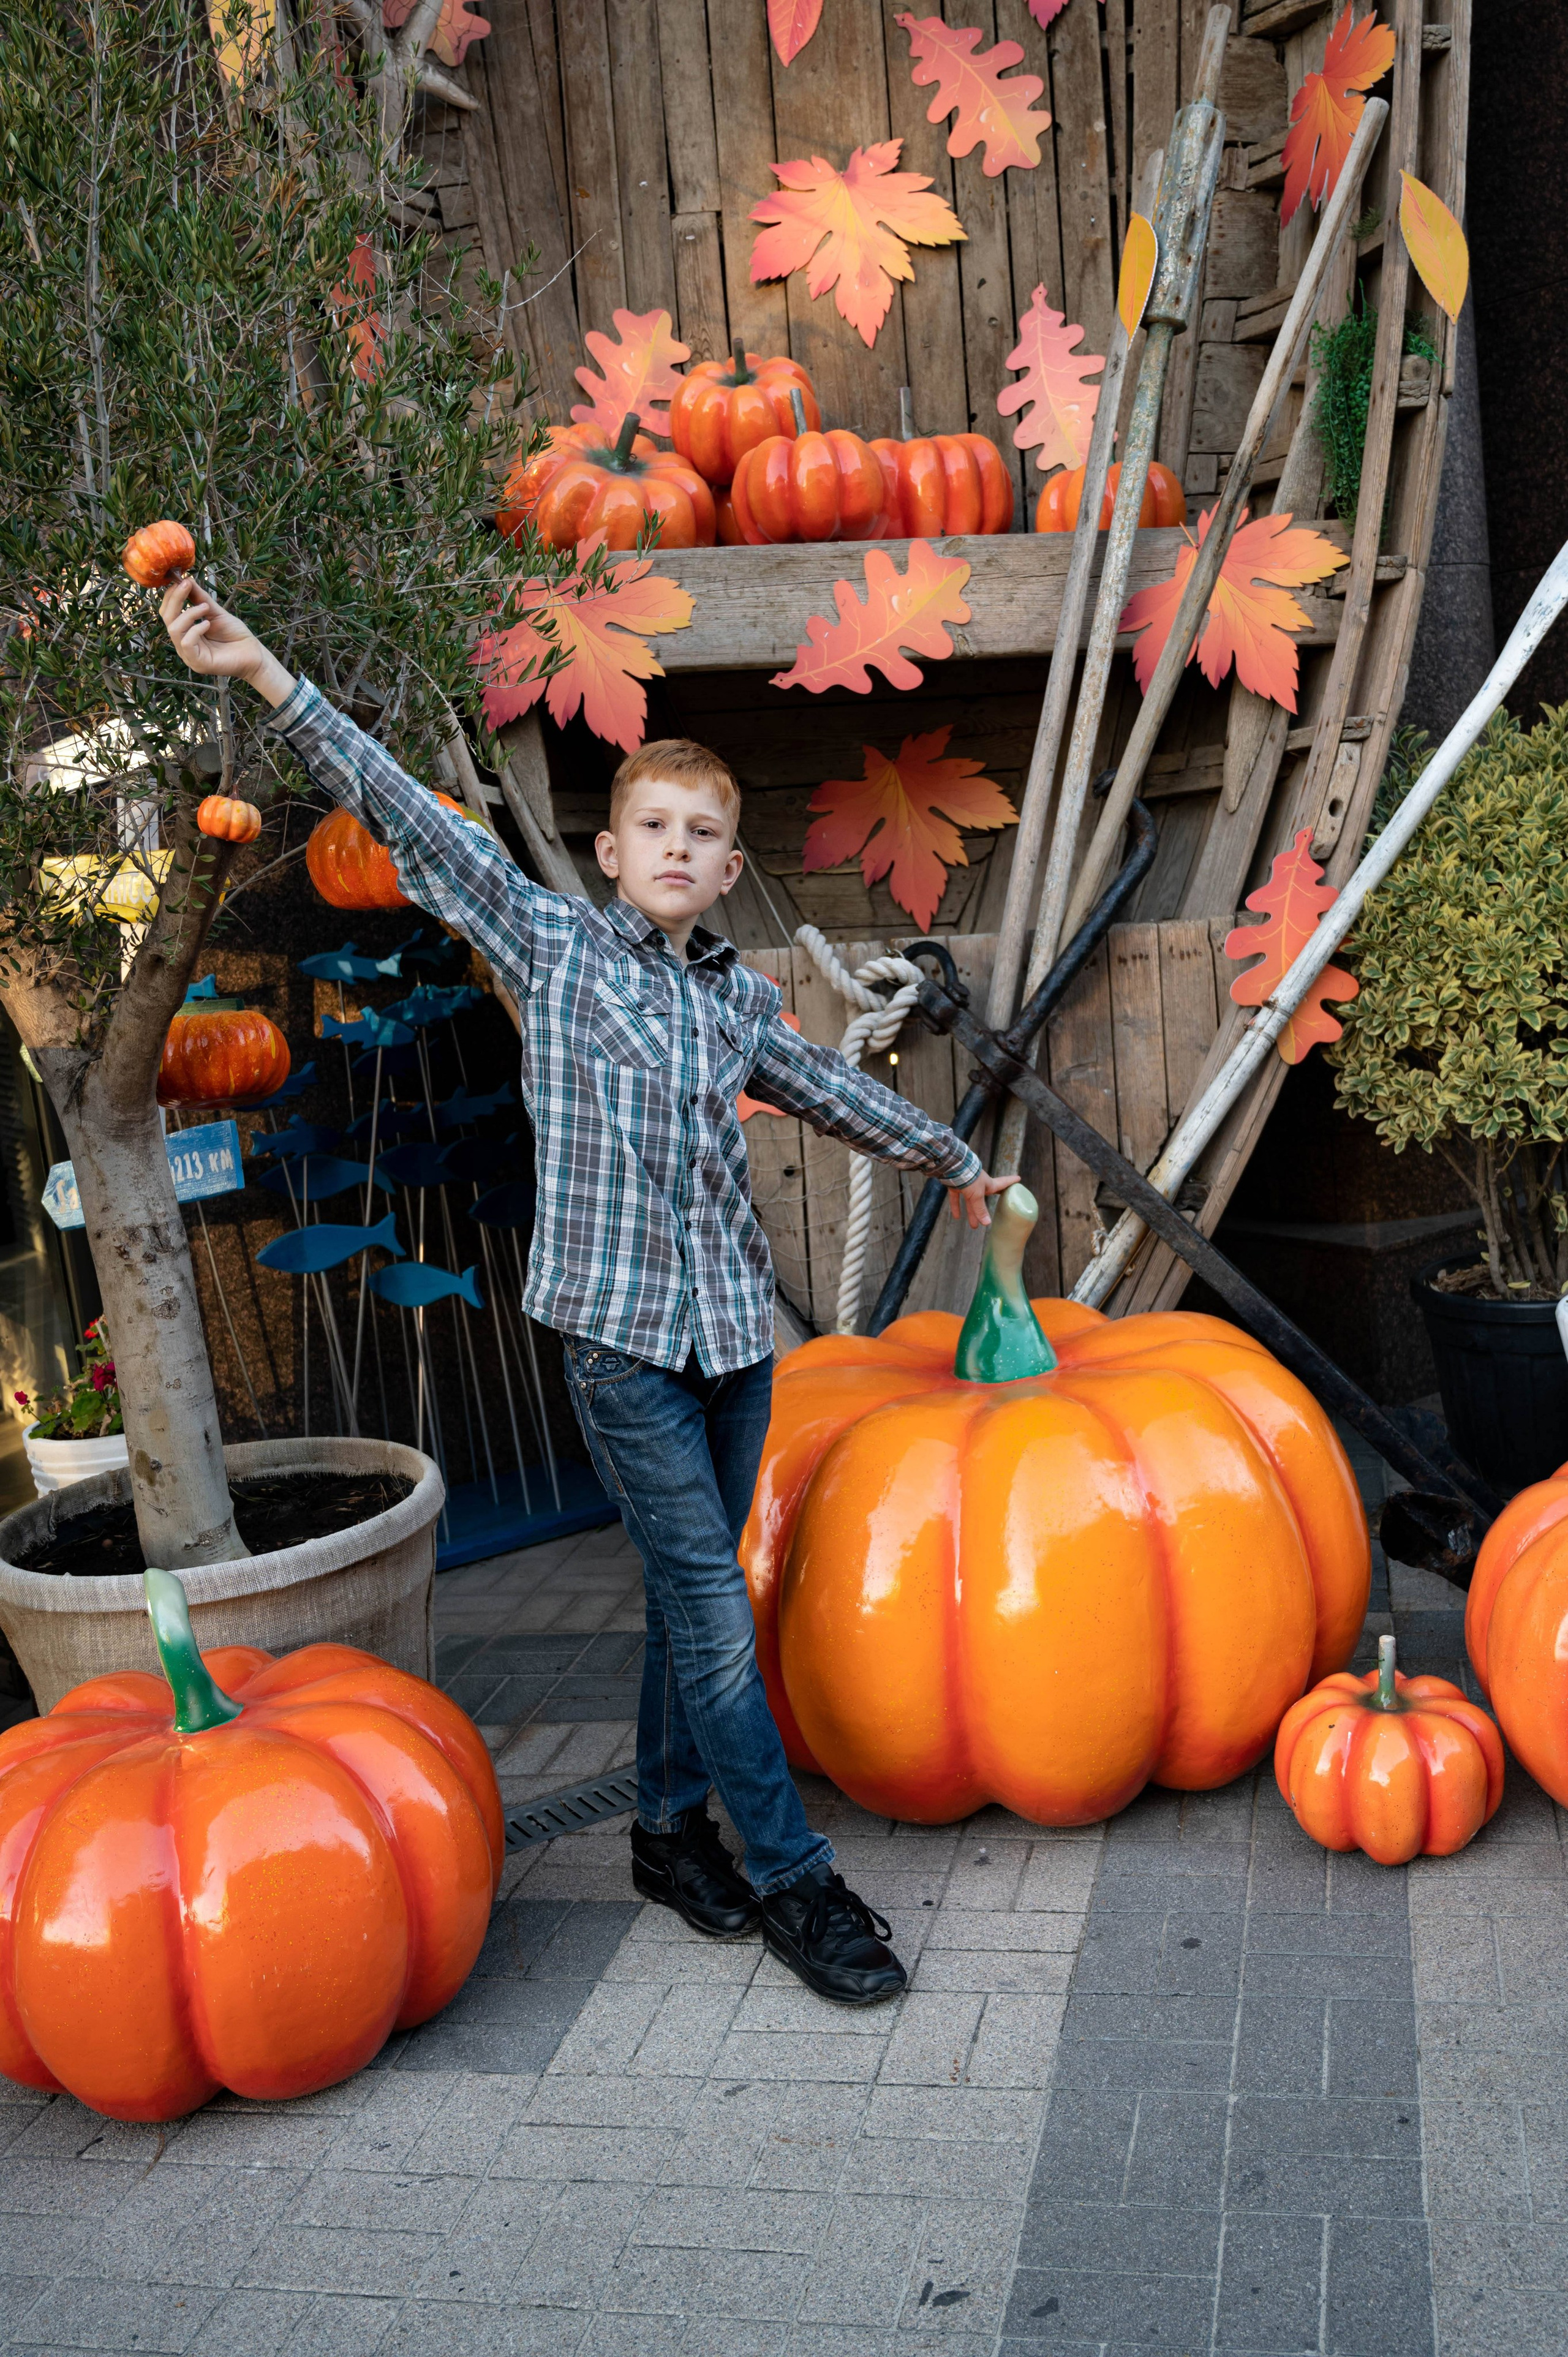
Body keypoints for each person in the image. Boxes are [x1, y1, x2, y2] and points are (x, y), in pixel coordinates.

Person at [160, 576, 1017, 2005]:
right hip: (616, 1345)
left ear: (727, 866)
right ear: (611, 852)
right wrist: (266, 672)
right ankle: (796, 1880)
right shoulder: (551, 948)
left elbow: (818, 1088)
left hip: (734, 1343)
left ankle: (668, 1836)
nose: (677, 850)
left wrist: (952, 1156)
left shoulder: (736, 999)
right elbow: (414, 820)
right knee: (707, 1598)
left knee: (696, 1606)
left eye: (703, 835)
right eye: (654, 830)